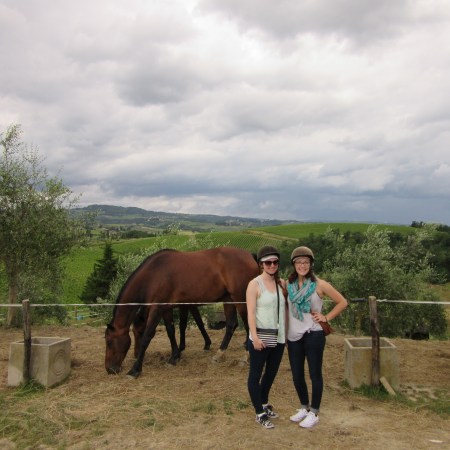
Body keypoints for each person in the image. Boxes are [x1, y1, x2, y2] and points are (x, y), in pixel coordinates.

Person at [286, 246, 347, 428]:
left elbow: (342, 302)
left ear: (311, 264)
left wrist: (326, 317)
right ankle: (304, 407)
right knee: (297, 375)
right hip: (293, 335)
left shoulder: (320, 284)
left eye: (306, 262)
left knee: (314, 374)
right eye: (299, 262)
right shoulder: (288, 284)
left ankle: (314, 412)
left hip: (313, 334)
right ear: (294, 264)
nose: (302, 265)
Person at [246, 245, 286, 429]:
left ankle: (263, 403)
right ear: (261, 264)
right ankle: (259, 413)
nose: (272, 265)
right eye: (268, 262)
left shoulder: (281, 284)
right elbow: (251, 313)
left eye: (275, 262)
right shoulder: (254, 284)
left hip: (278, 337)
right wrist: (254, 337)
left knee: (270, 373)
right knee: (255, 375)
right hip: (260, 337)